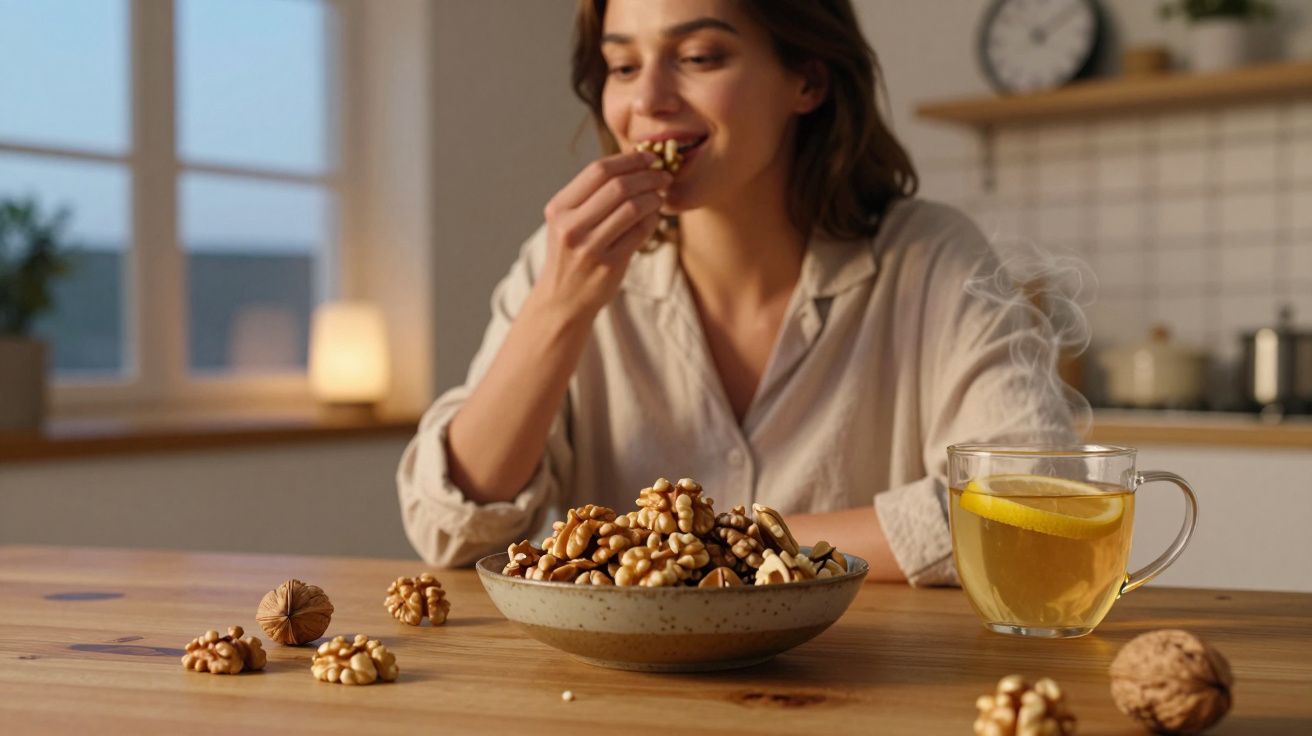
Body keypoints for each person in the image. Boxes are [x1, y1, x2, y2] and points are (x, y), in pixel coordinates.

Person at [396, 0, 1074, 586]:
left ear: (806, 79)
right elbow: (450, 530)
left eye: (698, 56)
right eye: (623, 66)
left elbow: (1033, 507)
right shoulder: (562, 262)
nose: (647, 101)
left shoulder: (930, 258)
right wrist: (558, 309)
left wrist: (719, 545)